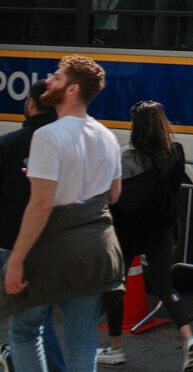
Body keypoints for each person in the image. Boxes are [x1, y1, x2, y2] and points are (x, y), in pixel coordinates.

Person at [1, 56, 125, 372]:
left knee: (26, 331)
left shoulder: (48, 136)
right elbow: (113, 195)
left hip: (52, 251)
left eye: (57, 77)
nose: (50, 81)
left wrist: (15, 260)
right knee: (82, 340)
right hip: (97, 251)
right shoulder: (107, 135)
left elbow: (41, 206)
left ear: (71, 89)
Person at [97, 102, 193, 372]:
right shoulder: (175, 153)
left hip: (128, 231)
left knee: (116, 288)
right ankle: (188, 337)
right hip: (161, 229)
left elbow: (116, 197)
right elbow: (174, 187)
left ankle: (116, 348)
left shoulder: (129, 159)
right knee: (166, 288)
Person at [0, 81, 66, 372]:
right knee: (37, 320)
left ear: (29, 104)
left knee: (27, 327)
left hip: (10, 244)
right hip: (57, 244)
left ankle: (17, 357)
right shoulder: (69, 144)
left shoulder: (8, 143)